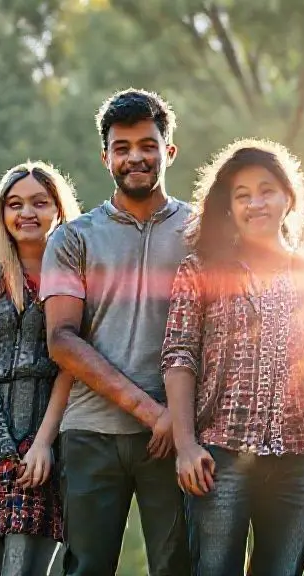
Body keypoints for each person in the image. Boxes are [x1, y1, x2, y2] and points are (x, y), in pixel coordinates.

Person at [41, 89, 192, 576]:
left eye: (147, 145)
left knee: (175, 566)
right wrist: (151, 412)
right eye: (122, 147)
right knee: (87, 567)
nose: (135, 157)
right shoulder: (73, 238)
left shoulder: (201, 231)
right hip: (92, 433)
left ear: (168, 151)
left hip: (179, 434)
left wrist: (177, 422)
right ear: (105, 155)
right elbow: (61, 340)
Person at [164, 139, 304, 576]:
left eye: (267, 190)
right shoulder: (201, 270)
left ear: (288, 197)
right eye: (243, 195)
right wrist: (185, 446)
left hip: (300, 458)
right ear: (229, 206)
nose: (256, 203)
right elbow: (179, 356)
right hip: (220, 455)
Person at [0, 162, 82, 576]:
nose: (26, 212)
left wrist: (41, 443)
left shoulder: (73, 274)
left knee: (28, 569)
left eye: (39, 202)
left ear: (58, 210)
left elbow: (71, 364)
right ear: (1, 213)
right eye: (15, 204)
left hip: (49, 437)